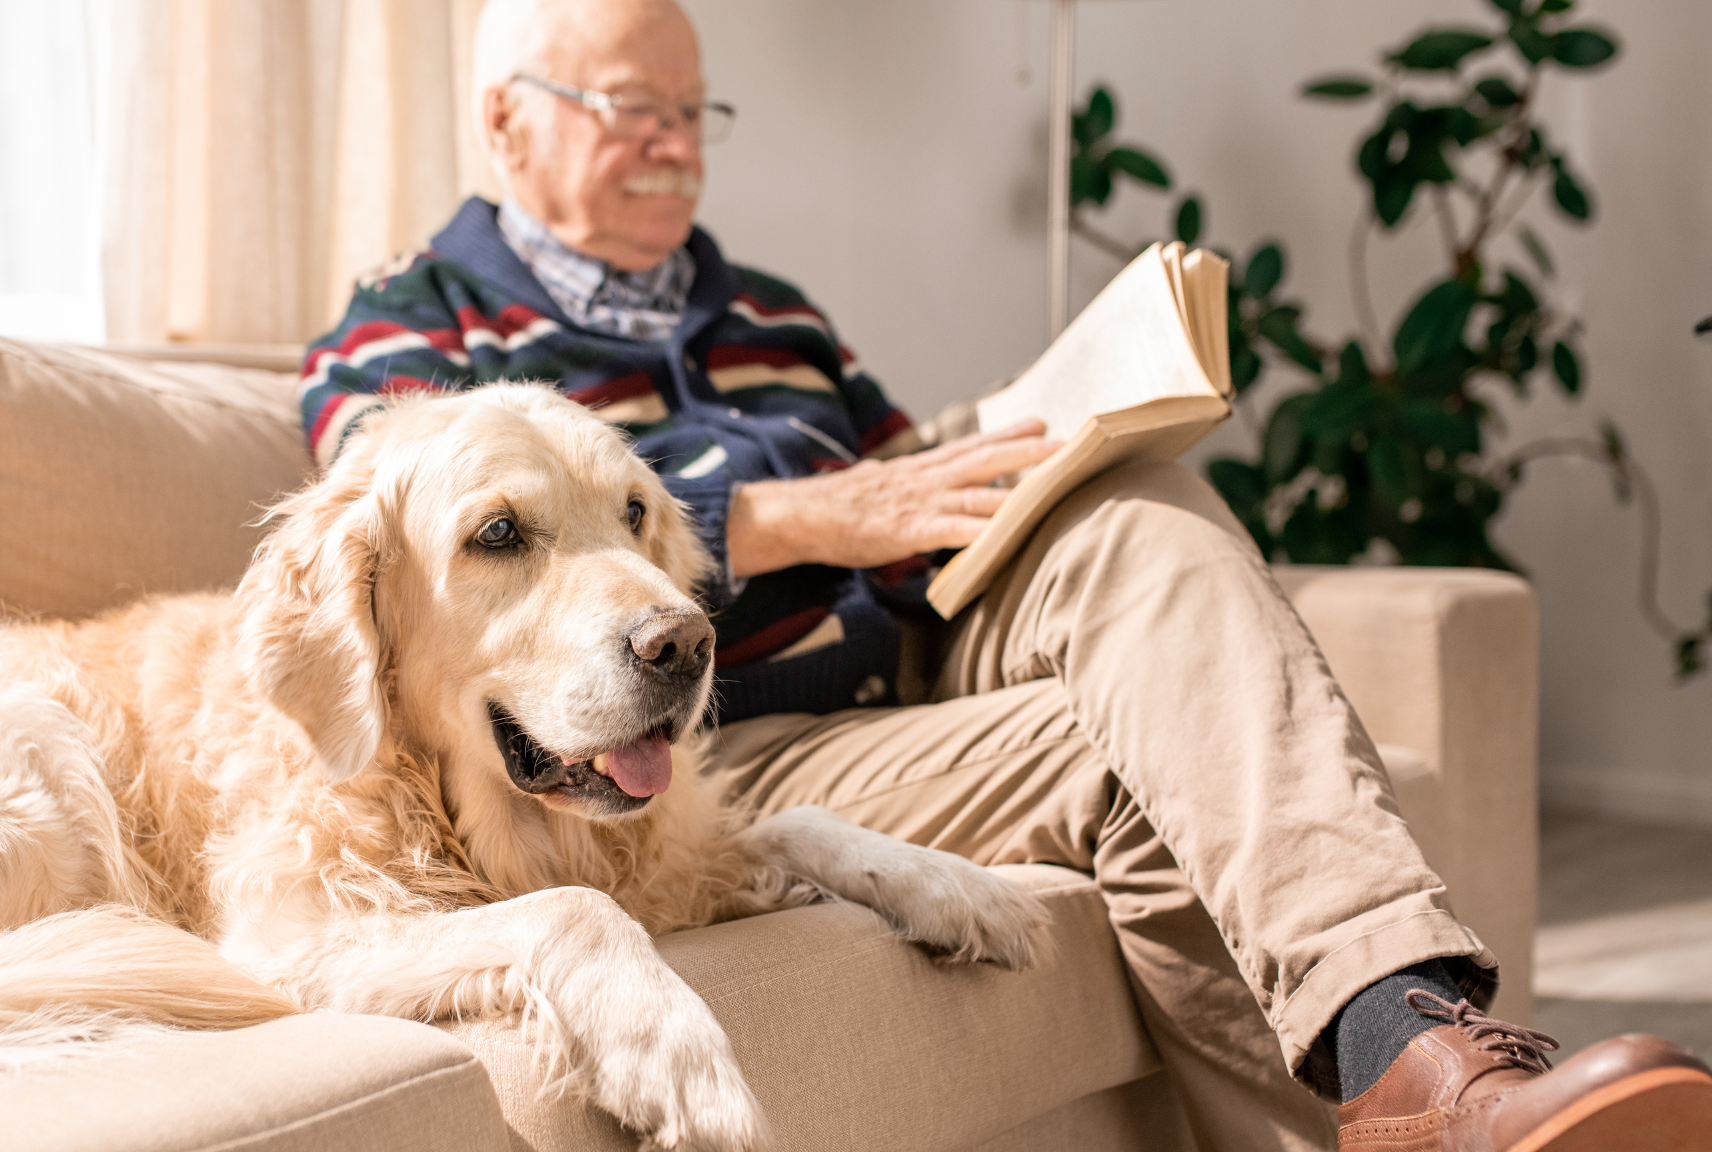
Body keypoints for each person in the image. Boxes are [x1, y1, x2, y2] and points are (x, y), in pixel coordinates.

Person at [298, 0, 1712, 1147]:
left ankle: (1421, 1059)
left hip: (917, 657)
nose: (672, 144)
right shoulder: (416, 326)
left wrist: (1032, 467)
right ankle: (1412, 1095)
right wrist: (794, 518)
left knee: (1147, 512)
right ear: (507, 119)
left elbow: (914, 489)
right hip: (746, 746)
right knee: (1133, 768)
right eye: (629, 109)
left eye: (692, 112)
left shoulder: (774, 309)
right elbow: (413, 518)